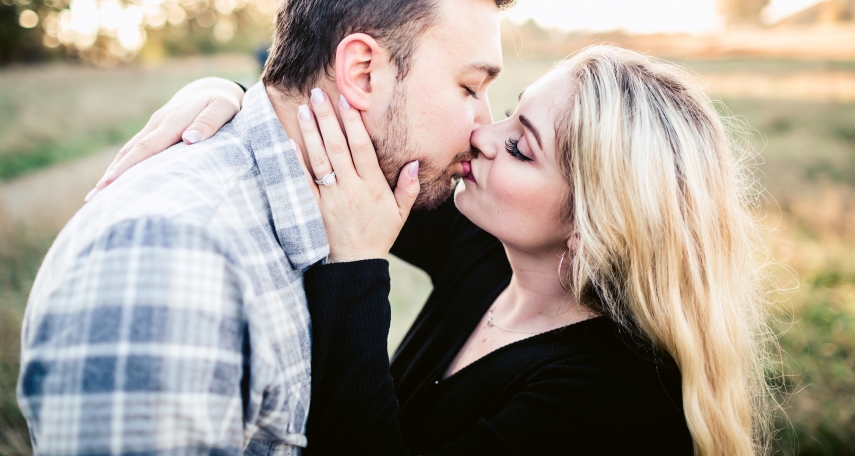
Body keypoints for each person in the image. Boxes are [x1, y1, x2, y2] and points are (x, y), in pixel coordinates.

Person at [106, 46, 777, 455]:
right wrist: (234, 96)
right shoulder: (490, 254)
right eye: (510, 109)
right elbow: (340, 153)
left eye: (521, 145)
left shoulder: (613, 403)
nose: (485, 130)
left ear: (594, 222)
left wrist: (357, 267)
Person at [17, 0, 521, 455]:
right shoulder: (171, 258)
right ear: (362, 72)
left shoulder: (326, 212)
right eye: (470, 87)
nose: (484, 127)